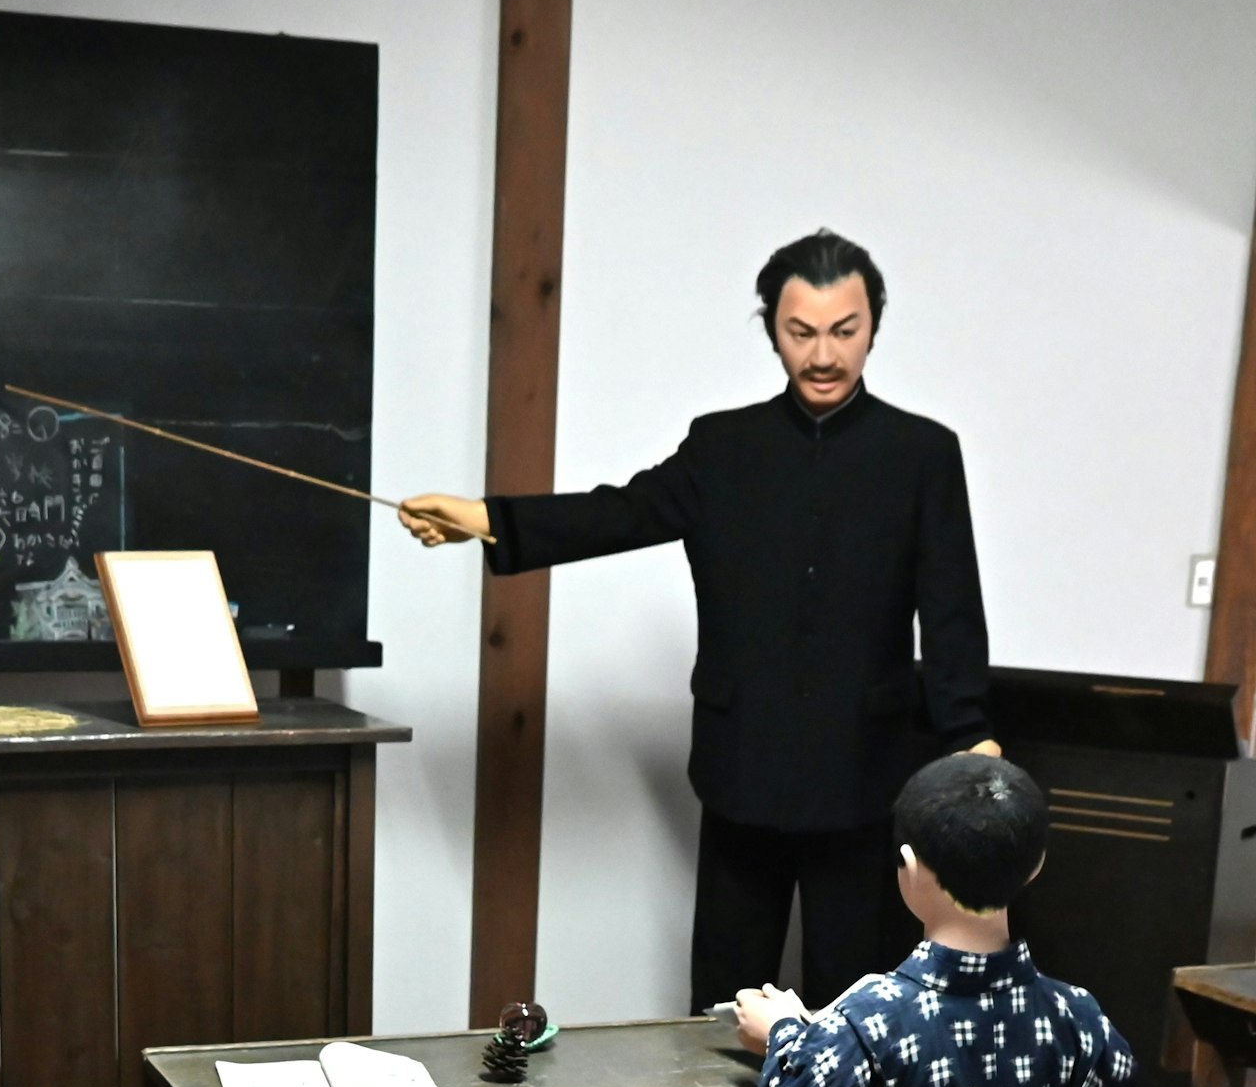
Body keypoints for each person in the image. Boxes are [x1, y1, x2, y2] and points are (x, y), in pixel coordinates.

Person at [397, 229, 988, 1011]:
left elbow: (951, 612)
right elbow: (621, 513)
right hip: (741, 767)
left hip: (866, 775)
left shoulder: (923, 454)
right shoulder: (724, 446)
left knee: (858, 997)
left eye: (843, 332)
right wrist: (484, 518)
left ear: (874, 324)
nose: (822, 355)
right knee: (722, 1001)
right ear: (771, 329)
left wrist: (972, 740)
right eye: (800, 331)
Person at [739, 749, 1137, 1087]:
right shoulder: (1085, 1023)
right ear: (1036, 864)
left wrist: (783, 1036)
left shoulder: (856, 1029)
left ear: (907, 867)